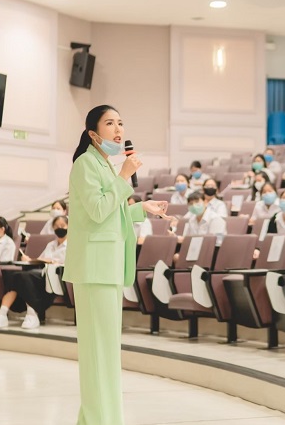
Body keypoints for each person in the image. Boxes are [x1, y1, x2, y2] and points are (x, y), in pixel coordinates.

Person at [64, 104, 167, 425]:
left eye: (121, 122)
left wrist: (141, 208)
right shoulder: (86, 164)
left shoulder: (105, 164)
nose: (118, 129)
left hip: (106, 266)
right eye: (110, 123)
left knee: (106, 353)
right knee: (98, 354)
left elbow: (110, 212)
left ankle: (97, 419)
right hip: (94, 268)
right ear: (93, 134)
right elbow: (97, 210)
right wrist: (124, 176)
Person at [0, 215, 69, 329]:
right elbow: (41, 259)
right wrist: (29, 260)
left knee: (27, 277)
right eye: (56, 226)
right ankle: (2, 314)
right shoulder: (51, 244)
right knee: (15, 276)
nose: (59, 228)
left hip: (56, 276)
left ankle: (32, 315)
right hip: (42, 272)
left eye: (62, 225)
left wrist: (55, 262)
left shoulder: (72, 245)